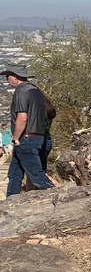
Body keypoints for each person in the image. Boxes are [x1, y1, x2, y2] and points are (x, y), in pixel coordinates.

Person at [3, 66, 54, 196]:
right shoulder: (35, 91)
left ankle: (59, 197)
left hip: (25, 138)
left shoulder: (21, 91)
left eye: (7, 76)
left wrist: (15, 137)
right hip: (39, 137)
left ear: (14, 76)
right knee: (14, 173)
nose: (7, 79)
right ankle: (11, 202)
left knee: (36, 175)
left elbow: (22, 117)